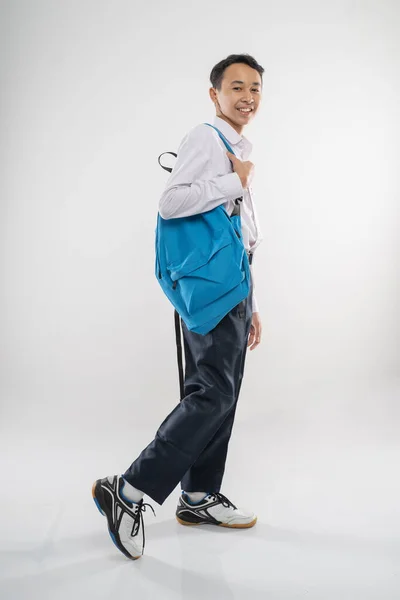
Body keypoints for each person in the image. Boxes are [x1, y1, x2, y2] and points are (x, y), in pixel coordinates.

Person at [92, 53, 264, 560]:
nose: (247, 97)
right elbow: (171, 202)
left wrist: (253, 301)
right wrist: (236, 181)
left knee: (221, 397)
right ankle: (127, 490)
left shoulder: (236, 146)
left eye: (255, 88)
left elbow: (240, 234)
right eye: (236, 87)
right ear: (215, 94)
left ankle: (197, 496)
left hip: (233, 286)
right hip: (210, 289)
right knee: (210, 395)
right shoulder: (204, 139)